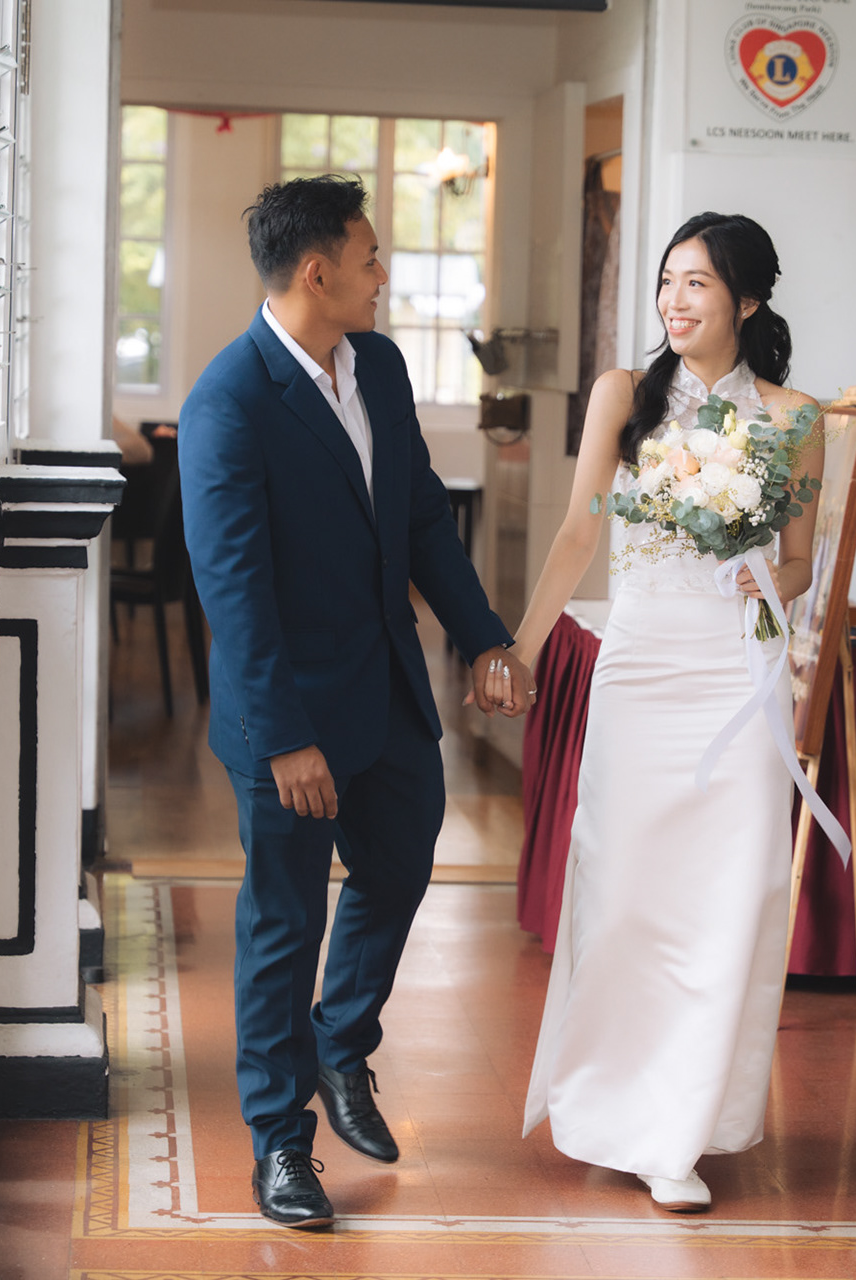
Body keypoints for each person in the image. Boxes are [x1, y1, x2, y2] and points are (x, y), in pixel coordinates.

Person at [179, 176, 535, 1231]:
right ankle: (281, 1145)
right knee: (284, 923)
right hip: (285, 714)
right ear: (317, 271)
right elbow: (234, 593)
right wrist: (285, 737)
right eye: (372, 258)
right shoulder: (227, 402)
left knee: (402, 859)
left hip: (386, 689)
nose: (385, 275)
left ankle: (342, 1043)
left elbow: (421, 518)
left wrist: (484, 635)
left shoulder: (376, 363)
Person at [514, 212, 823, 1213]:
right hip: (642, 668)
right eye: (667, 281)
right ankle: (613, 1109)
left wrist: (758, 576)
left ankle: (682, 1131)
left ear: (748, 300)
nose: (674, 301)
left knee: (729, 897)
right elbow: (578, 533)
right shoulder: (622, 394)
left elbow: (801, 562)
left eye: (697, 283)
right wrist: (521, 648)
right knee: (626, 893)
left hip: (738, 673)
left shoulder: (794, 415)